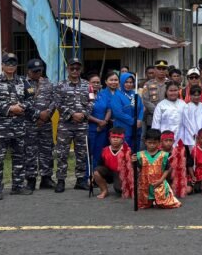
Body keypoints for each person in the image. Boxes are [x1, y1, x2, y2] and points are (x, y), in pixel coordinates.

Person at [0, 53, 31, 199]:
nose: (10, 66)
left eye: (13, 63)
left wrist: (22, 107)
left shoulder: (24, 81)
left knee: (19, 157)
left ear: (16, 66)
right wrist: (11, 109)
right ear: (2, 65)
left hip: (19, 127)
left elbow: (31, 99)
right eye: (7, 63)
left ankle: (17, 186)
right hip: (0, 129)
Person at [53, 58, 92, 193]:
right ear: (68, 69)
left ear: (81, 69)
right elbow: (58, 103)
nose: (75, 71)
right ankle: (61, 180)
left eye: (77, 68)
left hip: (82, 124)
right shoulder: (60, 85)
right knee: (62, 153)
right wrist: (72, 114)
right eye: (72, 68)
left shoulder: (88, 85)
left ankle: (80, 180)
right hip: (66, 124)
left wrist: (83, 114)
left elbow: (92, 102)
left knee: (81, 153)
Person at [23, 58, 55, 191]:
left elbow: (54, 100)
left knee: (47, 151)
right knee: (30, 152)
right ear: (28, 71)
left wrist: (47, 114)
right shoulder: (22, 83)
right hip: (29, 123)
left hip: (46, 123)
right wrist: (37, 116)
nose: (37, 73)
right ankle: (30, 179)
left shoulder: (48, 83)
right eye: (34, 71)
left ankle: (46, 178)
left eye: (39, 71)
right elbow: (22, 102)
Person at [133, 129, 181, 209]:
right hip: (145, 184)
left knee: (166, 204)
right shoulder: (140, 155)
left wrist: (161, 180)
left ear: (159, 143)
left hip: (159, 183)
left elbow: (167, 169)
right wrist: (133, 162)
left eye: (154, 143)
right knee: (144, 204)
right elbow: (137, 169)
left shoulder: (164, 155)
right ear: (145, 142)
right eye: (149, 143)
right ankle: (150, 201)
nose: (152, 145)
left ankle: (158, 200)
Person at [93, 126, 132, 199]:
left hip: (121, 173)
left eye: (118, 138)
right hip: (109, 172)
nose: (115, 140)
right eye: (113, 137)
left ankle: (126, 187)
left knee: (119, 190)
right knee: (96, 172)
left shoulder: (127, 150)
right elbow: (99, 164)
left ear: (122, 139)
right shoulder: (105, 150)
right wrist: (93, 177)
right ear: (109, 139)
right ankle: (104, 191)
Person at [141, 60, 168, 133]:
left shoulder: (170, 84)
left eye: (163, 69)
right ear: (155, 70)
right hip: (151, 118)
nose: (161, 71)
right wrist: (157, 111)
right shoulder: (148, 84)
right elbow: (145, 100)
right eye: (159, 69)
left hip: (168, 118)